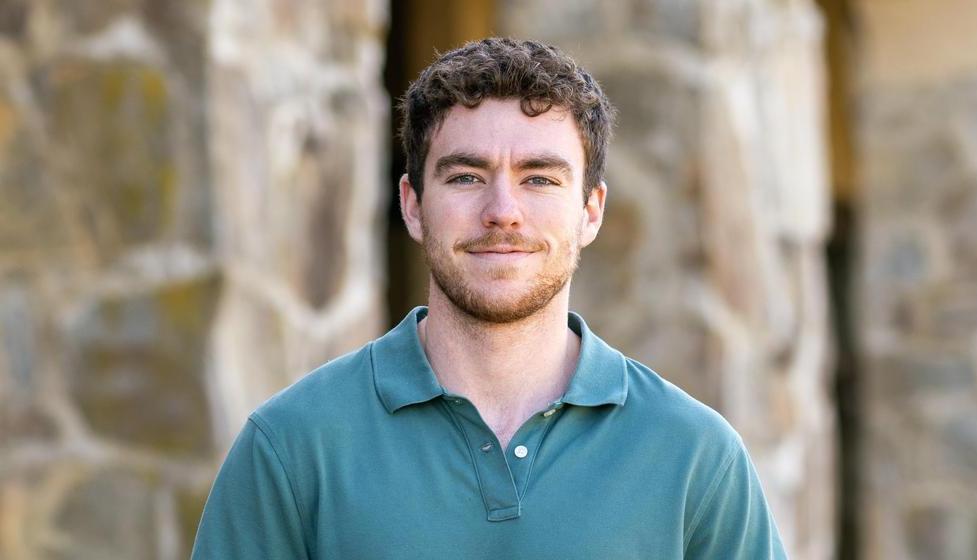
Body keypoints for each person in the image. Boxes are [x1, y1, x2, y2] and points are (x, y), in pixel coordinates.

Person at [192, 37, 787, 559]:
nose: (503, 212)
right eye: (465, 176)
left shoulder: (692, 457)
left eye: (540, 178)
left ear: (591, 210)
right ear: (412, 204)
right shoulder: (294, 447)